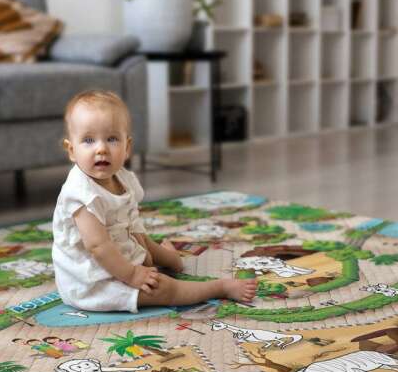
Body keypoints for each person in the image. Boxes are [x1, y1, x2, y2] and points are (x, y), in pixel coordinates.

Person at [51, 90, 257, 314]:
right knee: (161, 288)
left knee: (150, 249)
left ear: (127, 147)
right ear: (72, 150)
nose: (101, 148)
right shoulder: (80, 195)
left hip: (118, 251)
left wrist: (147, 253)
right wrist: (132, 274)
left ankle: (171, 258)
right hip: (92, 279)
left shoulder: (122, 178)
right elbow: (98, 247)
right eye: (89, 140)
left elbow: (131, 222)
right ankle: (220, 287)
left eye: (112, 139)